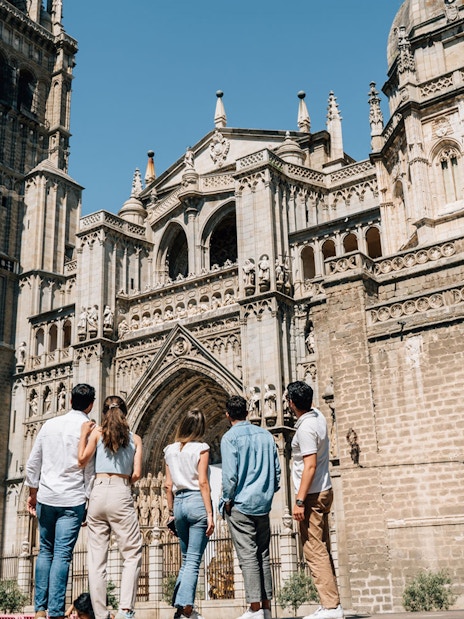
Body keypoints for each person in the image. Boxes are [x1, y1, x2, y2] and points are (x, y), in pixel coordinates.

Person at [25, 383, 96, 619]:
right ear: (91, 404)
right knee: (63, 554)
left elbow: (33, 463)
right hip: (72, 499)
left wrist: (33, 493)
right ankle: (56, 611)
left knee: (45, 551)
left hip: (47, 496)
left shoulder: (49, 425)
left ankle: (39, 610)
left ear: (69, 401)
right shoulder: (88, 428)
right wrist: (88, 502)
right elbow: (89, 471)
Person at [78, 396, 143, 619]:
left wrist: (83, 434)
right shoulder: (135, 439)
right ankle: (125, 609)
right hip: (120, 490)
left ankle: (101, 613)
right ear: (124, 412)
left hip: (97, 493)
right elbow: (136, 474)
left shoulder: (96, 433)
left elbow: (81, 460)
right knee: (132, 553)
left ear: (104, 412)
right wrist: (123, 482)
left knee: (97, 559)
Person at [286, 381, 344, 619]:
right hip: (323, 490)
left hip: (311, 495)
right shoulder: (318, 416)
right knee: (323, 548)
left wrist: (299, 501)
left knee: (313, 549)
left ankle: (331, 607)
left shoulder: (306, 429)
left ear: (291, 403)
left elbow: (309, 466)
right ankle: (331, 603)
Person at [220, 395, 281, 619]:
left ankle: (254, 609)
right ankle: (266, 607)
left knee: (248, 557)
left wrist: (227, 500)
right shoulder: (266, 436)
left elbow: (230, 476)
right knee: (263, 555)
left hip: (241, 506)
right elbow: (276, 473)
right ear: (247, 412)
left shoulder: (229, 438)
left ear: (228, 415)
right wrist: (266, 494)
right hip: (263, 506)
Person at [164, 409, 214, 619]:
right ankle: (187, 610)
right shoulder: (201, 448)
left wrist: (170, 512)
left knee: (186, 560)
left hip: (179, 504)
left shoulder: (169, 450)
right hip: (196, 502)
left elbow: (168, 485)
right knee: (193, 560)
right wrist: (210, 513)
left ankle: (180, 609)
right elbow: (203, 482)